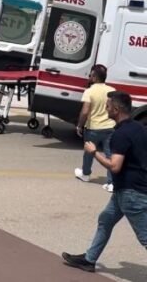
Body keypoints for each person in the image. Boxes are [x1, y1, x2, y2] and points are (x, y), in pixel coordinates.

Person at [62, 91, 147, 272]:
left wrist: (94, 152)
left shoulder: (120, 134)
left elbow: (114, 166)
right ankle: (89, 260)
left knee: (145, 236)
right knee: (105, 220)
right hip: (125, 190)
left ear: (116, 109)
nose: (105, 109)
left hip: (131, 193)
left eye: (107, 106)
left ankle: (89, 259)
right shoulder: (138, 127)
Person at [75, 64, 117, 191]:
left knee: (89, 152)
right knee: (110, 154)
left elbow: (85, 111)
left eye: (90, 75)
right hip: (110, 127)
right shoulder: (112, 91)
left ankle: (86, 174)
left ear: (94, 77)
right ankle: (111, 183)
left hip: (93, 128)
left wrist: (79, 125)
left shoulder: (89, 91)